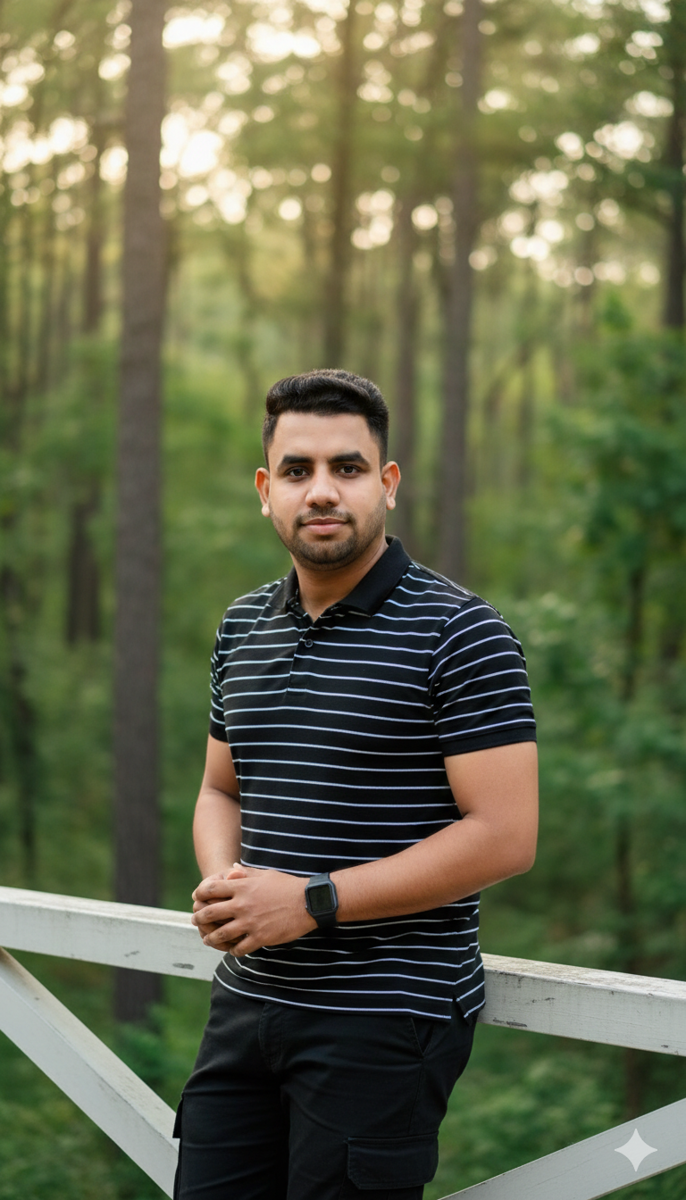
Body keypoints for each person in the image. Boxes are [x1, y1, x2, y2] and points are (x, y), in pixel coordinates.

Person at [173, 368, 538, 1200]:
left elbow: (505, 837)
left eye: (348, 467)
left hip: (383, 1019)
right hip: (246, 1003)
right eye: (297, 470)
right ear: (266, 491)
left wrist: (312, 901)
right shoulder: (241, 626)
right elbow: (220, 790)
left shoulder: (461, 633)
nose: (322, 491)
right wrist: (227, 884)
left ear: (388, 483)